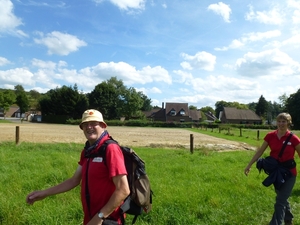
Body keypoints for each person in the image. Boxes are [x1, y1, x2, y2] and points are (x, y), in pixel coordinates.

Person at [26, 109, 130, 225]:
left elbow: (123, 189)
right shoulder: (87, 152)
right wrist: (44, 193)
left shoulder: (110, 149)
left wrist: (100, 217)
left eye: (93, 123)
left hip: (108, 220)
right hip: (91, 217)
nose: (89, 127)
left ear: (103, 126)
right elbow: (74, 180)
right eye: (85, 124)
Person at [244, 113, 300, 225]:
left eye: (284, 121)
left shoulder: (294, 139)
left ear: (288, 123)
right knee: (282, 197)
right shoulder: (270, 136)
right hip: (276, 173)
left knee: (279, 202)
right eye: (279, 121)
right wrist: (249, 165)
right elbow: (260, 151)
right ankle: (288, 219)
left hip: (289, 173)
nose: (281, 124)